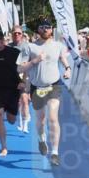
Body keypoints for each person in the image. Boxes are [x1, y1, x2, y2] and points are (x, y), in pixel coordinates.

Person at [21, 18, 72, 166]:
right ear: (38, 30)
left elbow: (63, 59)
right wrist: (34, 61)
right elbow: (21, 67)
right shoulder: (29, 47)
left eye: (48, 27)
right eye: (42, 27)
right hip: (37, 87)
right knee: (41, 120)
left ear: (51, 29)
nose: (45, 30)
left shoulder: (58, 45)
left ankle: (55, 152)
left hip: (54, 86)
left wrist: (68, 69)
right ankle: (41, 139)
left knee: (52, 117)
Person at [9, 26, 32, 132]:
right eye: (15, 33)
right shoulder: (8, 47)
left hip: (24, 76)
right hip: (12, 77)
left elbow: (30, 62)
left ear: (22, 34)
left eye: (18, 33)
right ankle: (20, 120)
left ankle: (25, 124)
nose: (16, 35)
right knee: (18, 102)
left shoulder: (26, 46)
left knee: (24, 99)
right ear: (12, 34)